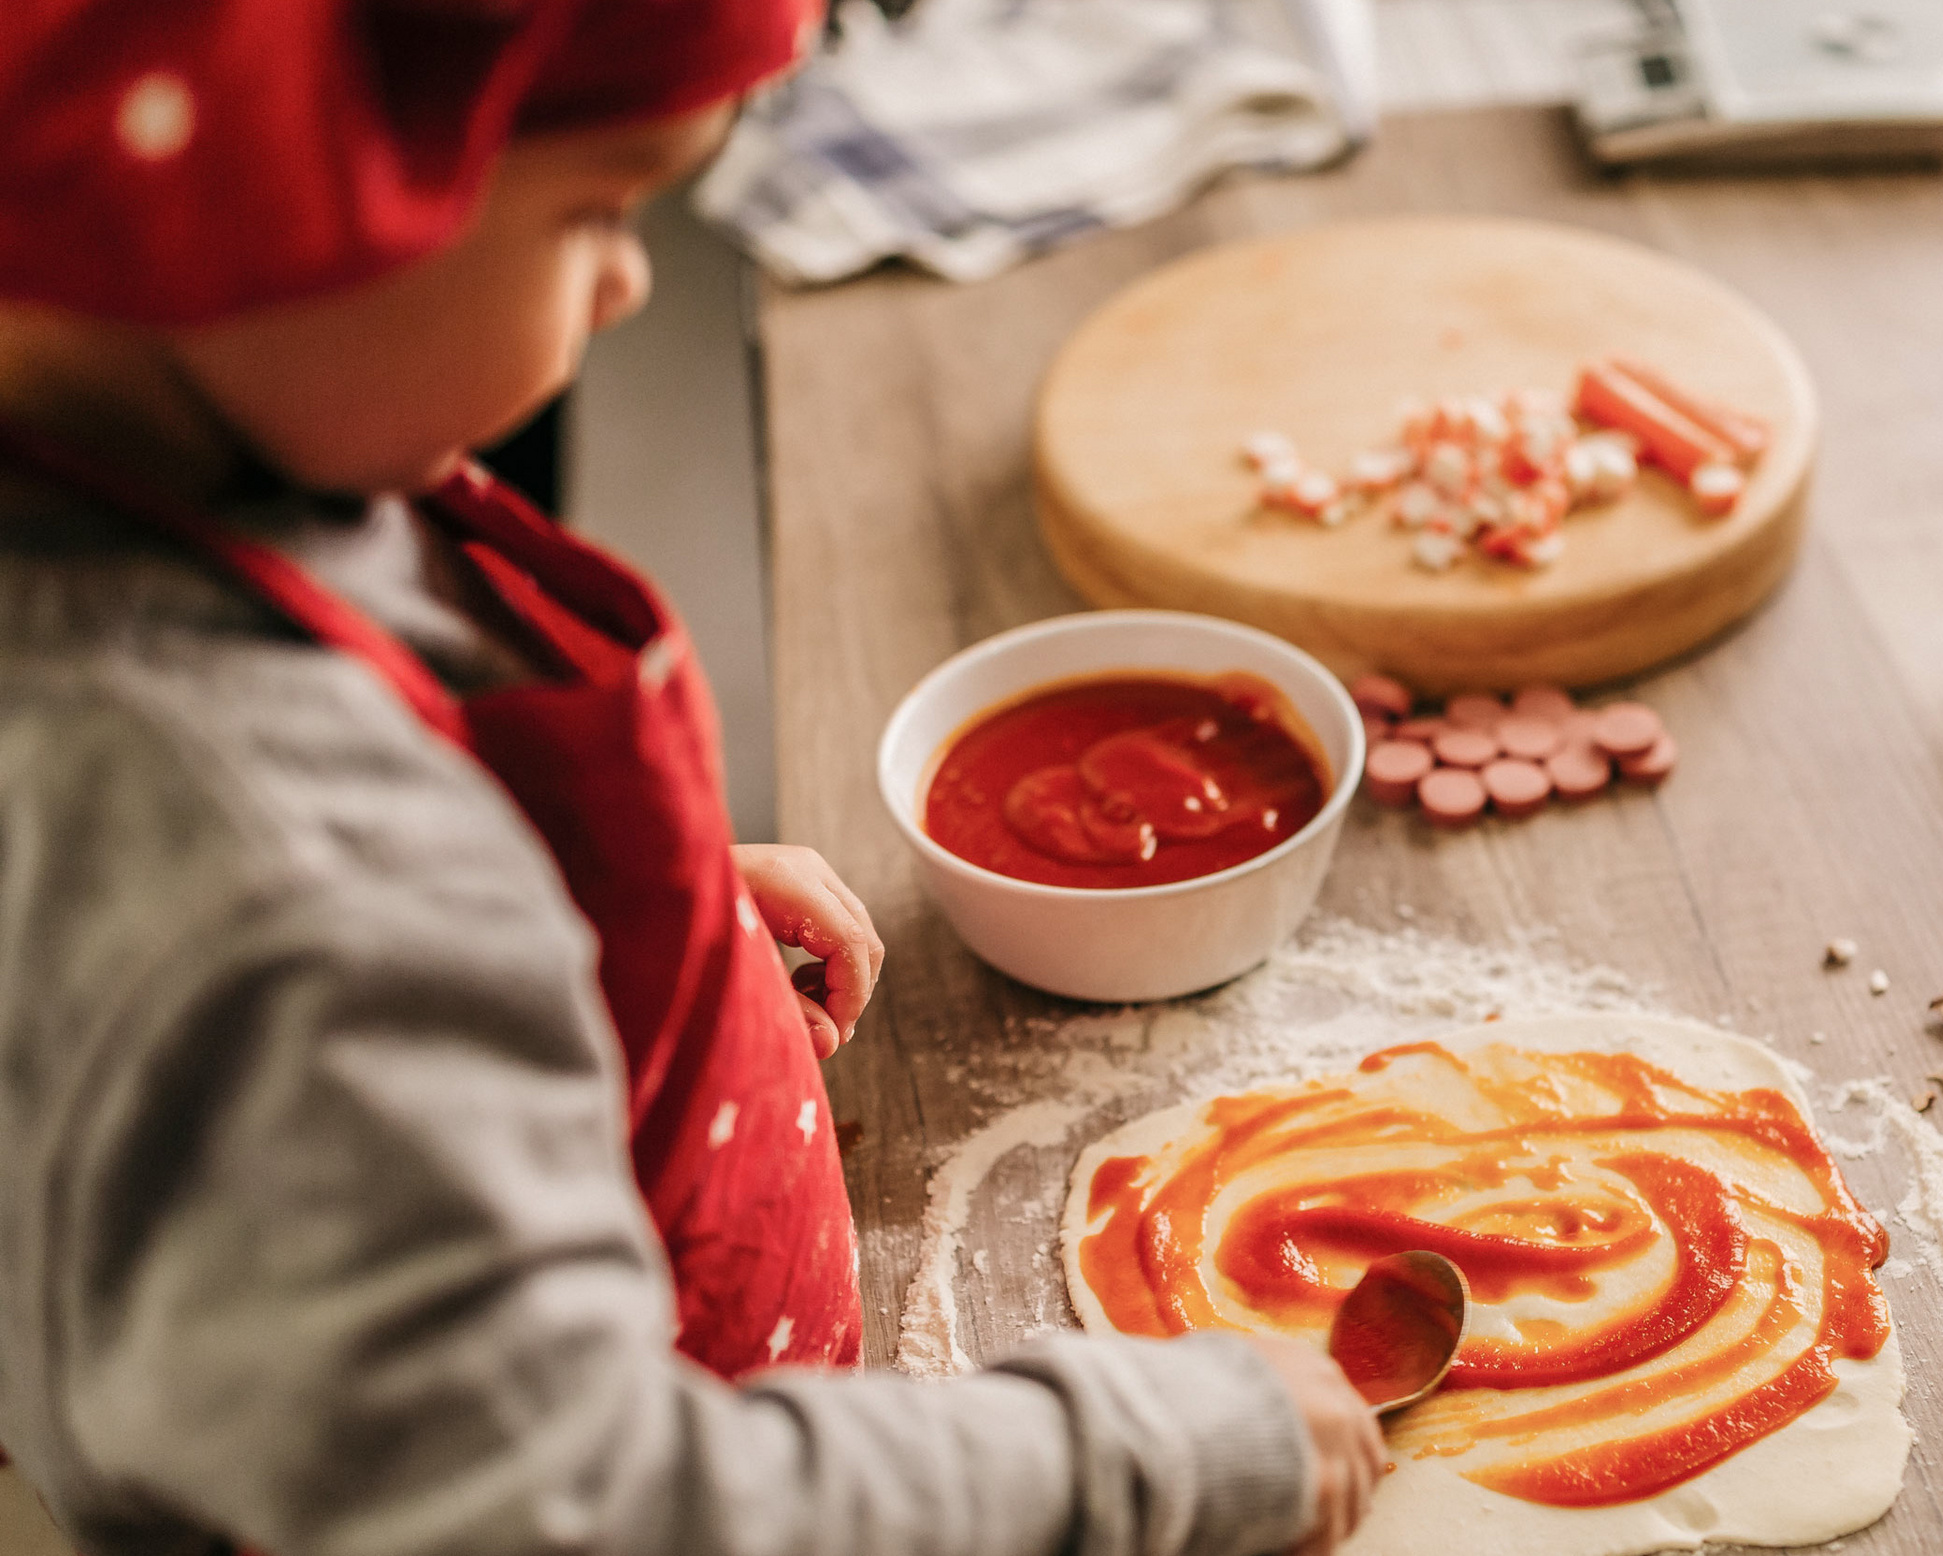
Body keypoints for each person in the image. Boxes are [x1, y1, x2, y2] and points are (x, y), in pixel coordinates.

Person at [0, 4, 1384, 1555]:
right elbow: (592, 1508)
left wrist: (591, 914)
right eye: (597, 210)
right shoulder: (296, 877)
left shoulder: (163, 492)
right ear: (265, 208)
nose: (629, 281)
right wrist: (1154, 1456)